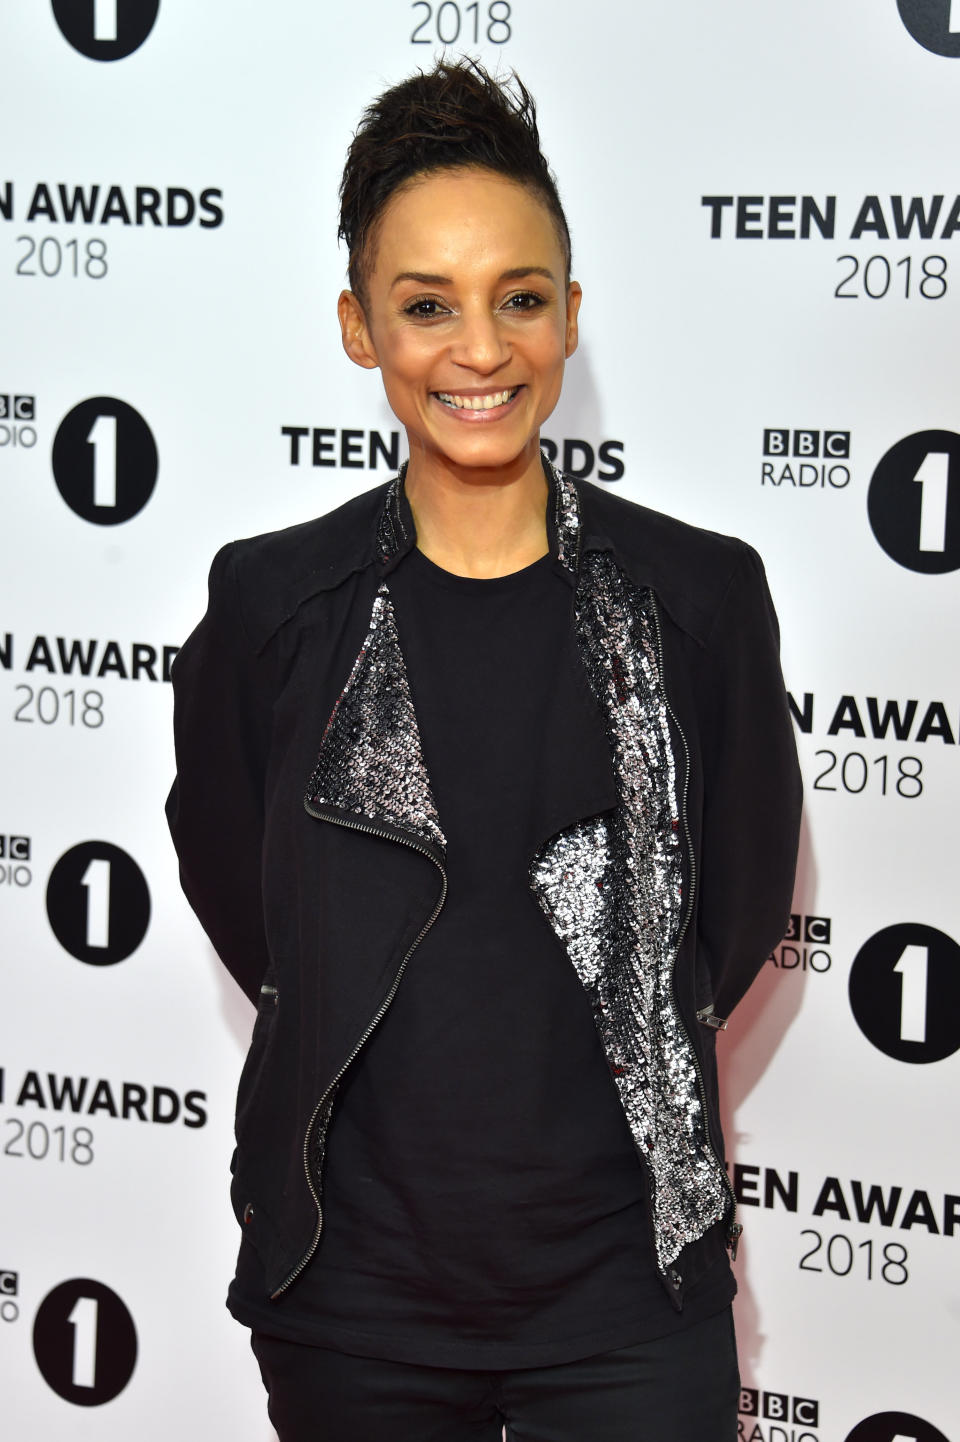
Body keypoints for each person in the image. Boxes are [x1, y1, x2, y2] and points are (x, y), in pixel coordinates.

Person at [166, 56, 802, 1442]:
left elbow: (740, 906)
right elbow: (248, 896)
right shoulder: (275, 608)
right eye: (425, 305)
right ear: (357, 326)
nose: (479, 350)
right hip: (352, 1298)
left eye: (519, 298)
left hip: (630, 1293)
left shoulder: (697, 600)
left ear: (570, 316)